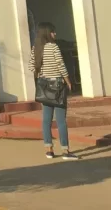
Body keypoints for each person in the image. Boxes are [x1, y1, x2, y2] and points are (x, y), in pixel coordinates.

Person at [30, 21, 78, 160]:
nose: (55, 34)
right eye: (53, 31)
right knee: (61, 120)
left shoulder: (36, 48)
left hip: (44, 86)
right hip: (57, 86)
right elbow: (61, 65)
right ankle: (65, 151)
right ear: (47, 33)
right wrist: (68, 81)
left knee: (46, 120)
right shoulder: (54, 47)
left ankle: (49, 150)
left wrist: (42, 75)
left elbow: (32, 67)